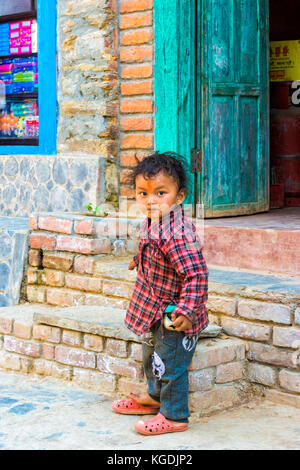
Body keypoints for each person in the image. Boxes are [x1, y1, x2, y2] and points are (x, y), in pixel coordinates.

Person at [112, 151, 209, 435]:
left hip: (174, 315)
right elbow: (153, 251)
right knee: (150, 355)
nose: (150, 200)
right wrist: (139, 260)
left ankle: (174, 415)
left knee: (170, 364)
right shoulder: (154, 220)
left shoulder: (177, 233)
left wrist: (188, 311)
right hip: (153, 308)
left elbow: (196, 274)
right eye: (143, 193)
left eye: (160, 193)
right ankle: (154, 398)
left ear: (179, 197)